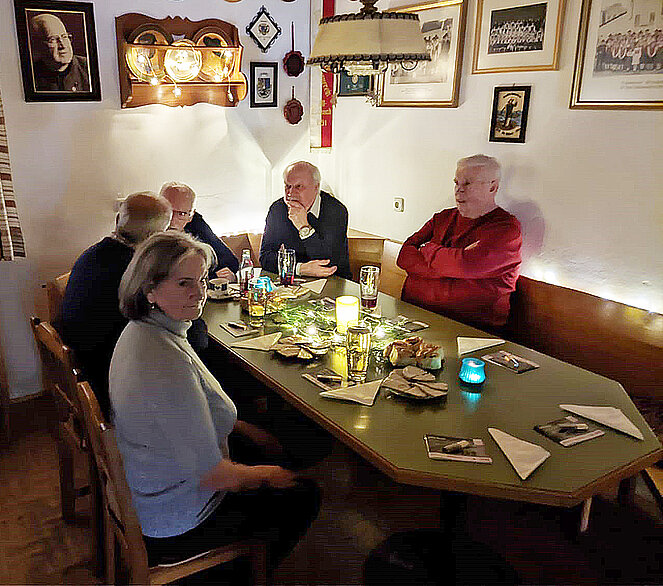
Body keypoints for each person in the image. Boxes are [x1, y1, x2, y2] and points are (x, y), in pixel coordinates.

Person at [110, 231, 319, 573]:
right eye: (184, 283)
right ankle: (241, 575)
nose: (199, 291)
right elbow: (212, 476)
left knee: (278, 439)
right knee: (305, 495)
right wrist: (270, 475)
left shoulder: (145, 328)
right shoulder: (164, 362)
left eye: (202, 279)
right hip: (176, 520)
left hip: (153, 486)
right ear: (149, 290)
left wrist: (247, 433)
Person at [57, 192, 172, 417]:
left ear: (119, 219)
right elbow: (166, 327)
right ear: (155, 237)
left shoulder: (93, 253)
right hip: (109, 379)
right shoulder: (134, 272)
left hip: (86, 363)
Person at [397, 155, 521, 329]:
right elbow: (403, 257)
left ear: (493, 187)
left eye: (467, 184)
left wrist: (427, 249)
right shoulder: (442, 217)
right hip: (414, 316)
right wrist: (449, 265)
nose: (459, 190)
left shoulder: (505, 228)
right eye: (456, 183)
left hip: (469, 329)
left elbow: (464, 265)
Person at [260, 161, 352, 279]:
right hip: (295, 279)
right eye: (287, 186)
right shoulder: (278, 209)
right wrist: (299, 268)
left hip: (334, 280)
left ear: (316, 187)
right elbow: (265, 257)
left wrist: (303, 227)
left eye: (298, 187)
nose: (290, 193)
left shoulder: (336, 210)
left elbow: (327, 263)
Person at [159, 181, 239, 281]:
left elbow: (230, 262)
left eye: (181, 214)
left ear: (191, 215)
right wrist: (212, 277)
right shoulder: (147, 227)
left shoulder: (195, 222)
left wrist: (227, 276)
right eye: (168, 211)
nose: (172, 220)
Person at [30, 13, 90, 92]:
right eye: (52, 39)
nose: (63, 45)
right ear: (38, 45)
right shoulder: (31, 76)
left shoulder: (88, 67)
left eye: (64, 37)